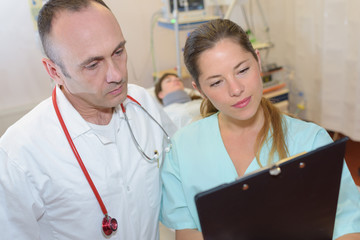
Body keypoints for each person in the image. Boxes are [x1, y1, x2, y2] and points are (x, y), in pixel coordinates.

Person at [160, 19, 360, 240]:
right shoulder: (183, 149)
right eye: (217, 82)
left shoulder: (310, 141)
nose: (236, 89)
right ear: (200, 90)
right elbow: (186, 232)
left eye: (243, 70)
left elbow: (347, 226)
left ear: (258, 59)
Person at [0, 0, 176, 239]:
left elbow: (178, 175)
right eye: (92, 65)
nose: (116, 75)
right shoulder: (19, 153)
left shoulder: (143, 103)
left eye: (118, 52)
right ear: (54, 72)